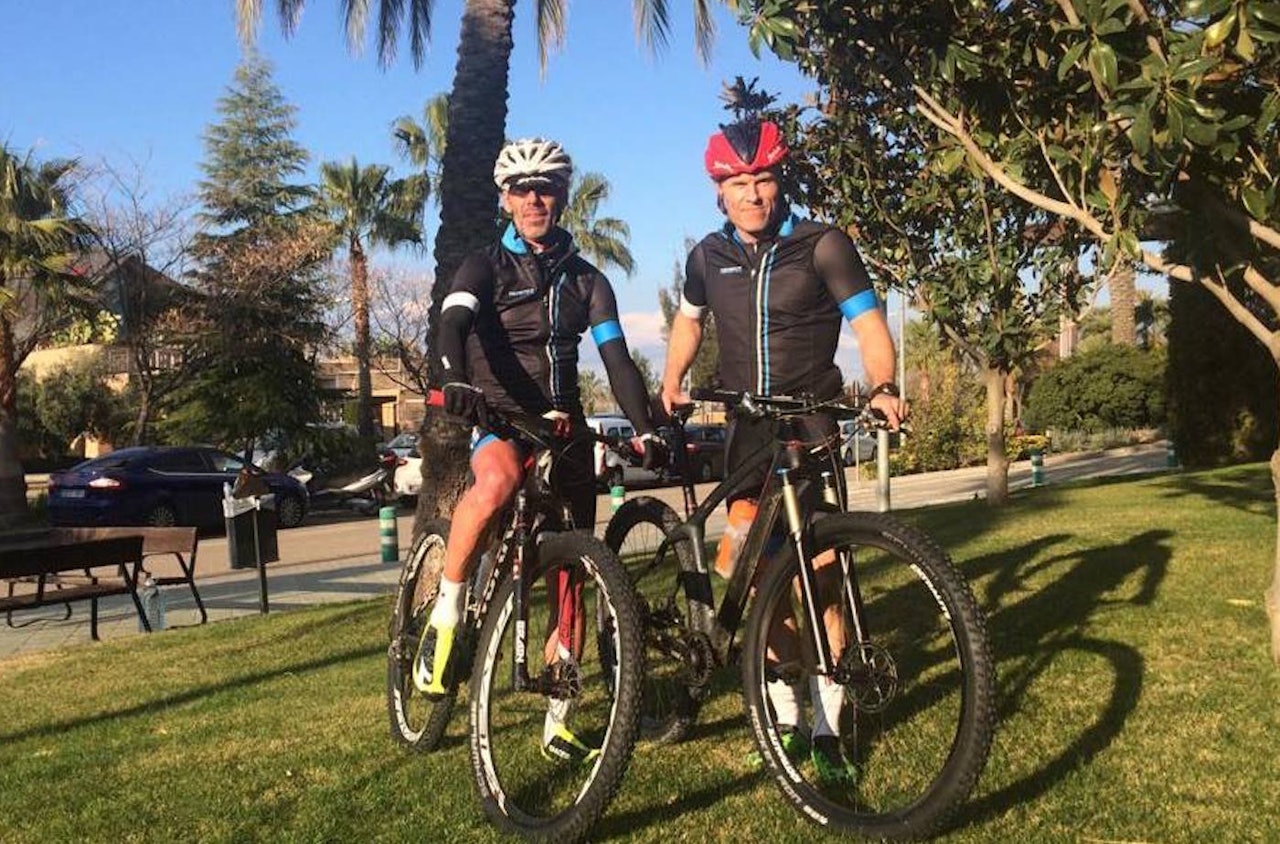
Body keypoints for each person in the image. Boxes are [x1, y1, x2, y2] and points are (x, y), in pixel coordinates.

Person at [660, 117, 908, 783]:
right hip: (746, 431)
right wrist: (672, 377)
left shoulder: (823, 244)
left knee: (819, 574)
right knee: (744, 569)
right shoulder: (706, 258)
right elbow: (688, 322)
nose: (752, 194)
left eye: (763, 179)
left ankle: (830, 724)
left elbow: (870, 325)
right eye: (738, 183)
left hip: (812, 424)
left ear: (780, 181)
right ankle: (785, 707)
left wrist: (883, 385)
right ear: (720, 192)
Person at [414, 138, 665, 761]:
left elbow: (615, 357)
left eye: (545, 187)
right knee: (494, 485)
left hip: (564, 429)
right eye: (521, 189)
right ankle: (446, 615)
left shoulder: (588, 280)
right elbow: (453, 325)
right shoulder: (482, 266)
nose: (533, 199)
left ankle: (560, 716)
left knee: (574, 574)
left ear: (560, 194)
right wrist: (454, 380)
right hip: (498, 417)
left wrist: (645, 426)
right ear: (505, 198)